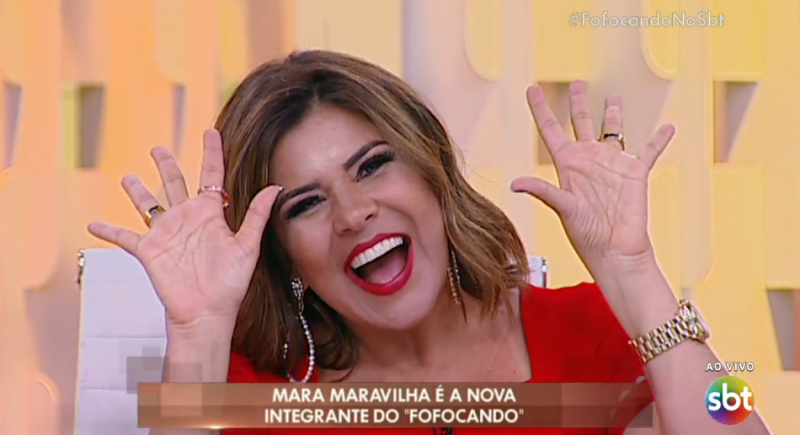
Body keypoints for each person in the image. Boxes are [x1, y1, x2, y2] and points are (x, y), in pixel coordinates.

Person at [88, 50, 771, 435]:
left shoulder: (592, 325)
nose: (353, 213)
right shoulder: (252, 384)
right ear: (281, 251)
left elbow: (736, 418)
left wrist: (634, 273)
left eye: (372, 165)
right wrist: (200, 333)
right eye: (307, 202)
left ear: (433, 172)